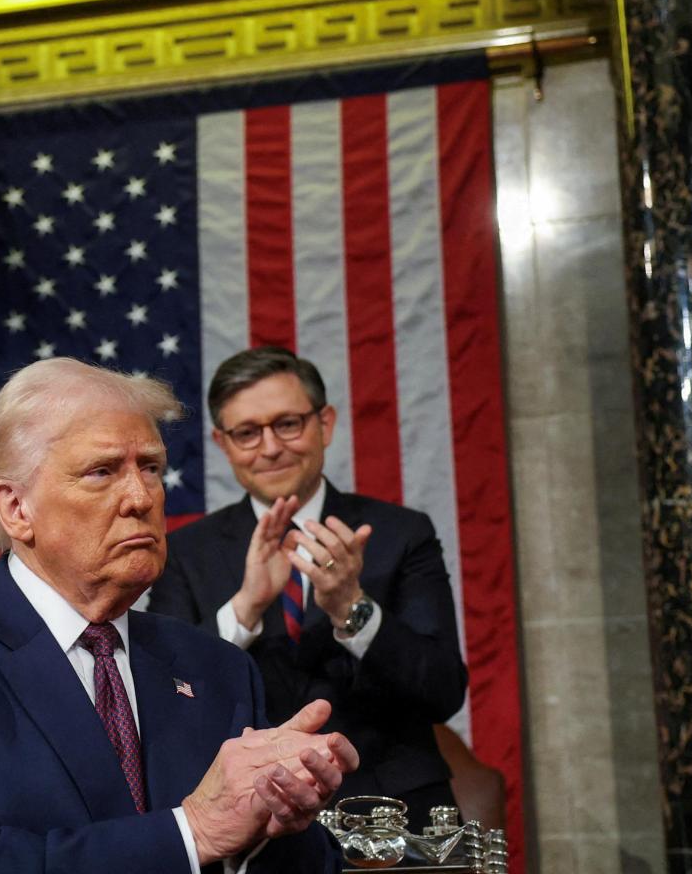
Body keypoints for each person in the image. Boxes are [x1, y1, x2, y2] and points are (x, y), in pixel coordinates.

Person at [0, 358, 355, 873]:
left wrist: (275, 827)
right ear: (16, 508)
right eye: (102, 472)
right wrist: (191, 832)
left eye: (150, 468)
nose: (140, 497)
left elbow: (303, 863)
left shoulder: (216, 668)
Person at [150, 347, 470, 823]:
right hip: (251, 818)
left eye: (287, 424)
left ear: (325, 423)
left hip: (393, 813)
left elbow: (443, 692)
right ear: (222, 442)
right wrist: (245, 608)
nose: (270, 447)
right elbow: (164, 701)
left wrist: (350, 606)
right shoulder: (185, 552)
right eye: (247, 433)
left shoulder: (402, 534)